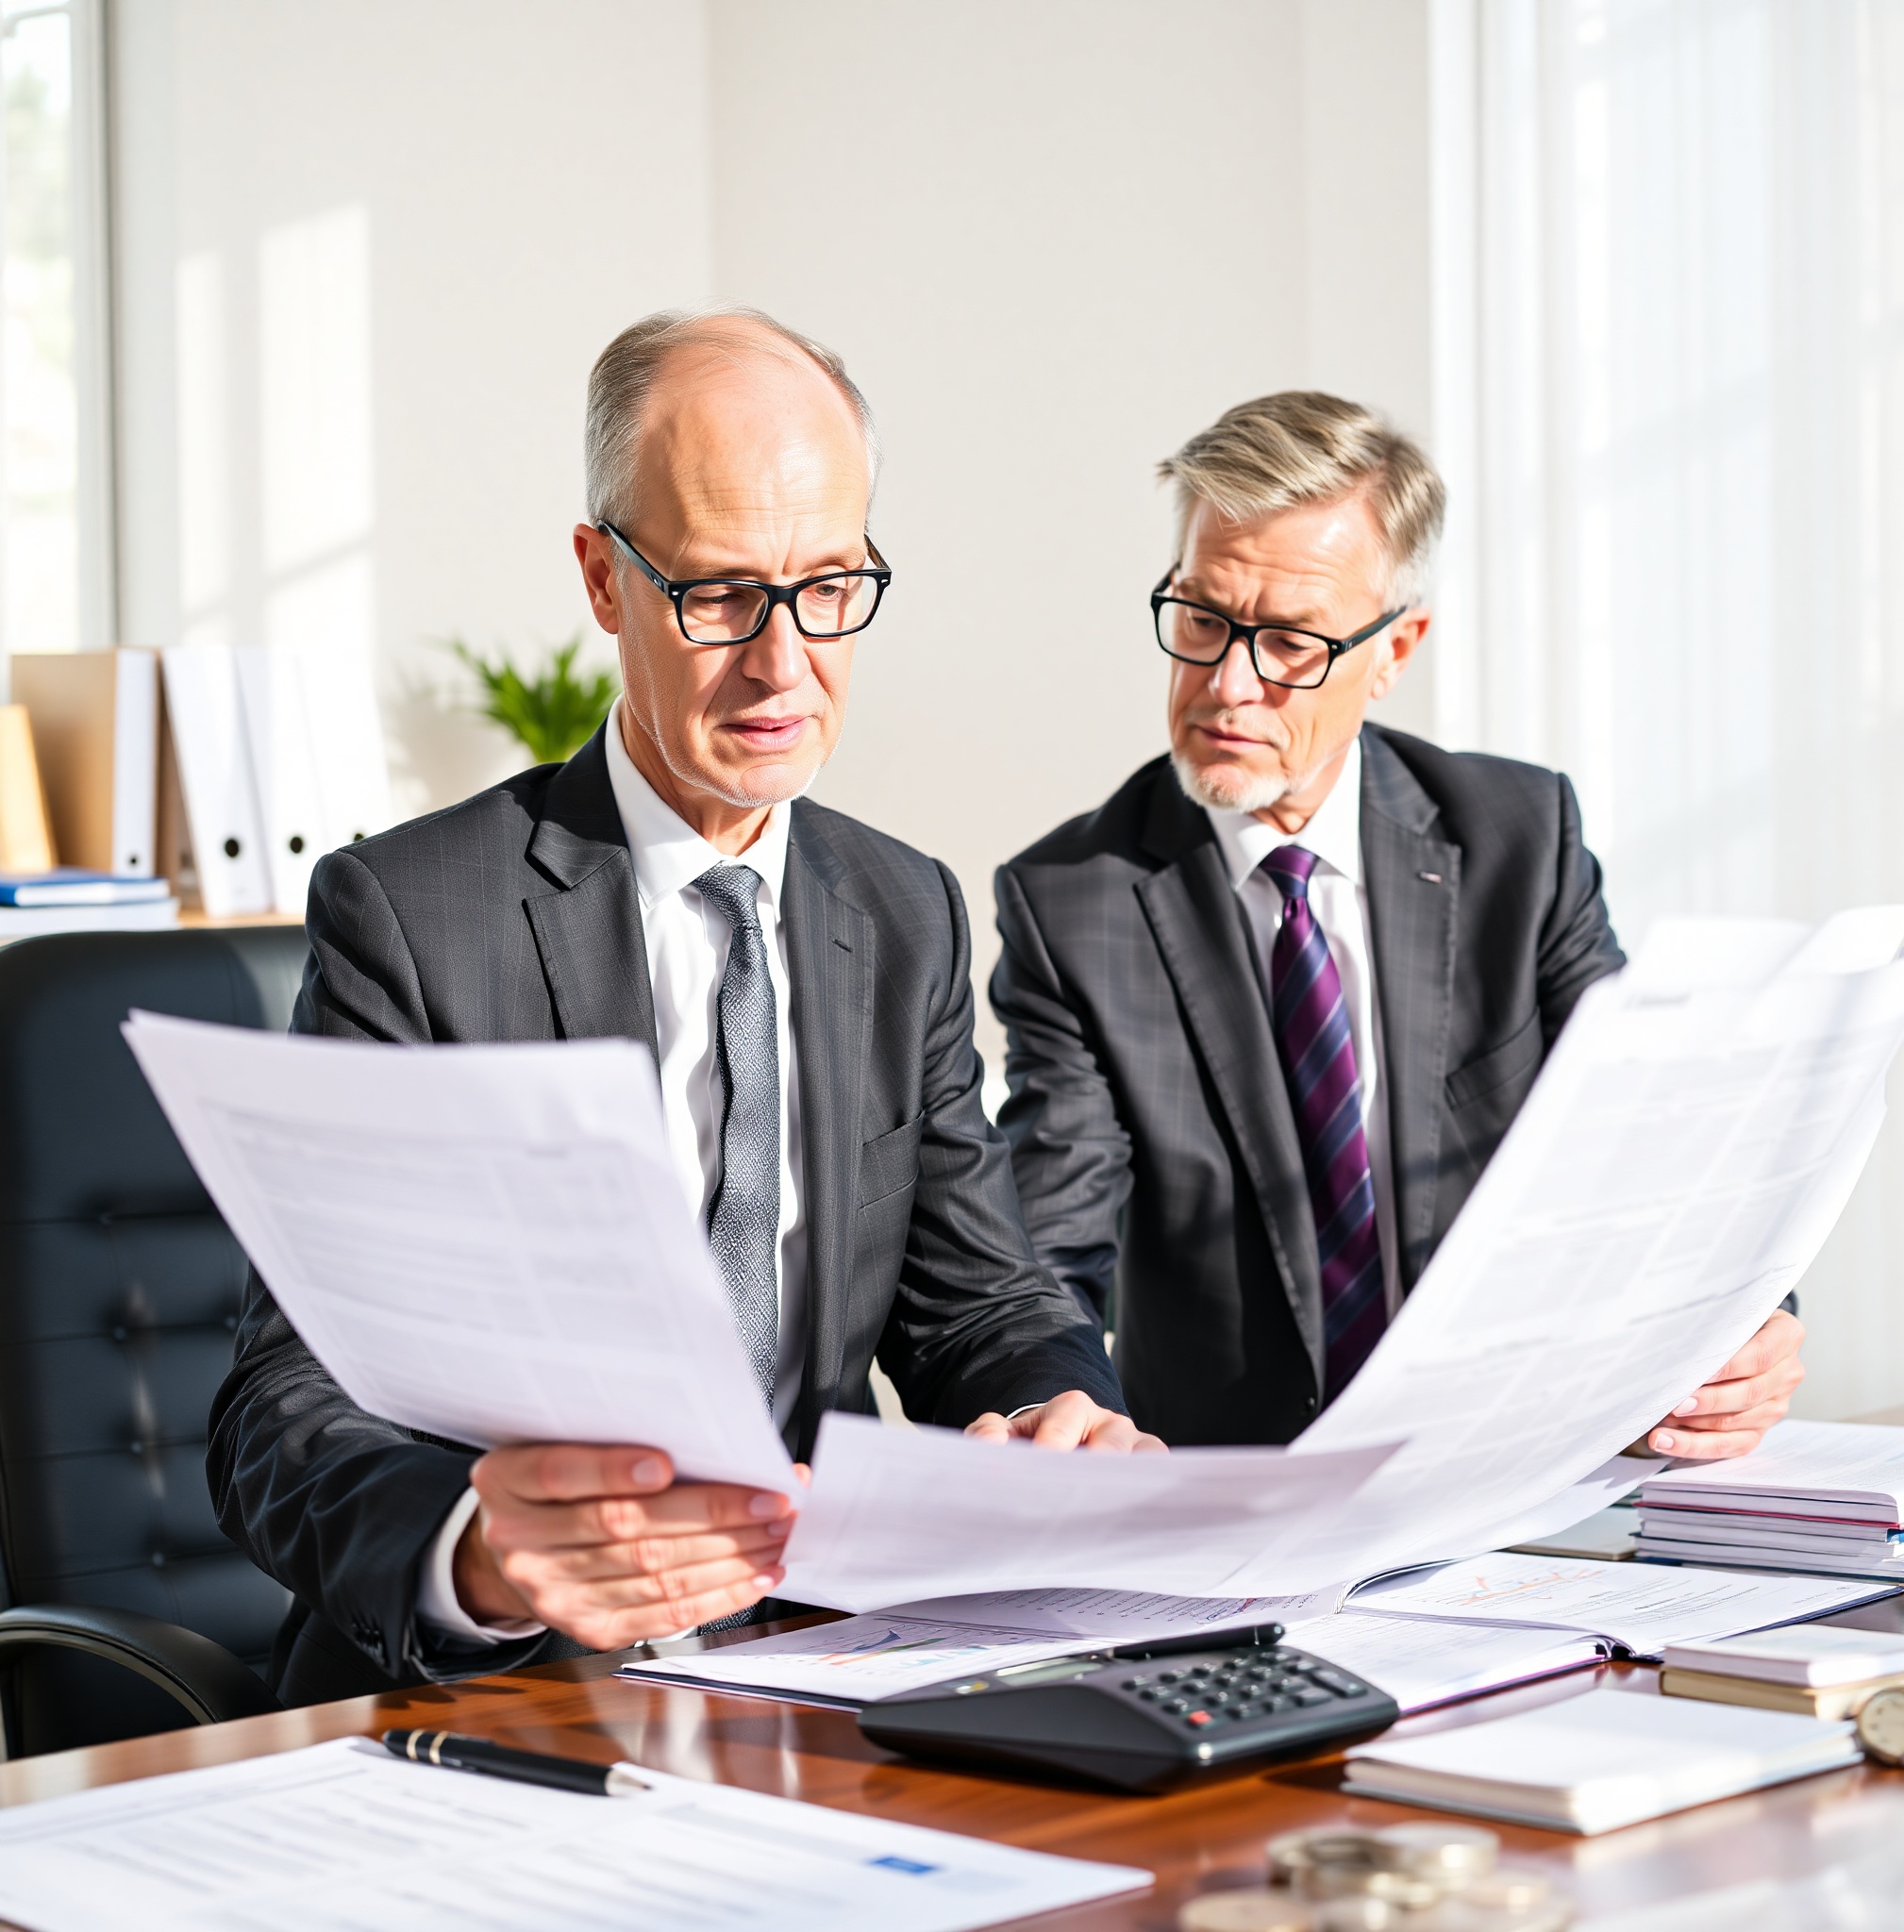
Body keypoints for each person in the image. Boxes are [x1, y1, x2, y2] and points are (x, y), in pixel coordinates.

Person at [209, 309, 1153, 1706]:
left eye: (829, 586)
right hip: (504, 1691)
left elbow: (979, 1303)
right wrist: (480, 1556)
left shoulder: (903, 911)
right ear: (604, 579)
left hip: (817, 1668)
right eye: (719, 595)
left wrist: (1057, 1416)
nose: (784, 663)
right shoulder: (415, 916)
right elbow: (280, 1402)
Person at [990, 390, 1805, 1453]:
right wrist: (1050, 1400)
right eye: (1201, 618)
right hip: (1238, 1486)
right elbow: (1049, 1245)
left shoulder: (1517, 839)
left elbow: (1644, 1138)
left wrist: (1748, 1322)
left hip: (1514, 1460)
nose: (1228, 683)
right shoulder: (1074, 900)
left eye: (1290, 641)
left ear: (1395, 647)